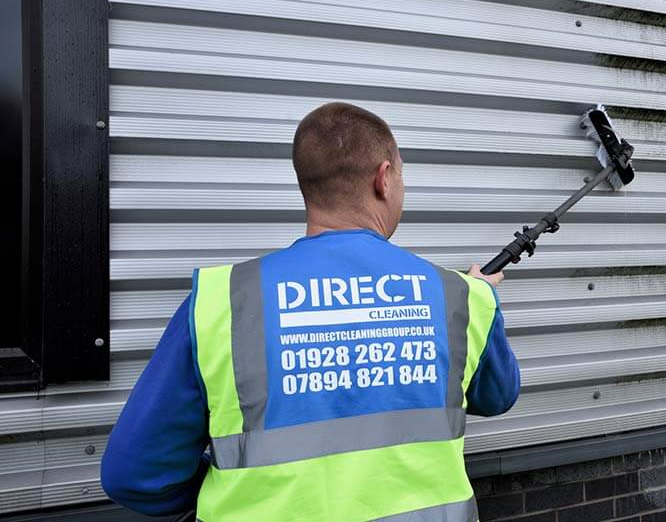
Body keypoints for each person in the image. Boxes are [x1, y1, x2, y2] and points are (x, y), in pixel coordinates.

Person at [101, 102, 520, 521]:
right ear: (384, 178)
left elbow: (134, 474)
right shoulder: (459, 298)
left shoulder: (220, 302)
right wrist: (481, 299)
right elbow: (495, 396)